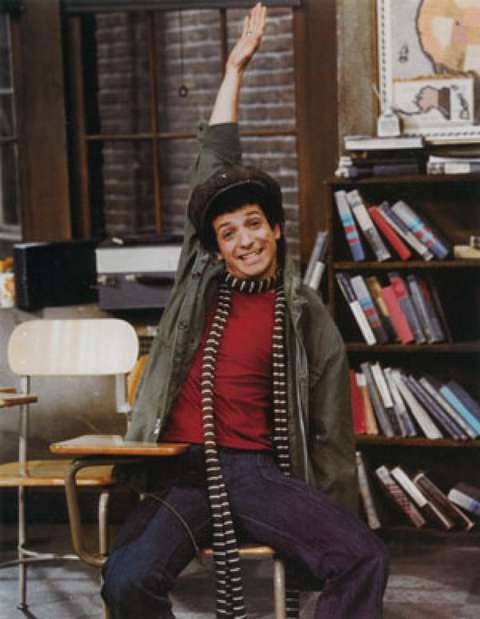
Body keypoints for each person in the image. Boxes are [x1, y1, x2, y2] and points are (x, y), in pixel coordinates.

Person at [101, 4, 389, 618]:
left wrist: (328, 518)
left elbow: (333, 435)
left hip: (258, 474)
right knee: (127, 579)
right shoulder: (198, 283)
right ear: (214, 248)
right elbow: (214, 159)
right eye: (228, 233)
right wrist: (234, 70)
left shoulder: (305, 314)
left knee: (362, 555)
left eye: (254, 224)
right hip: (183, 471)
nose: (245, 241)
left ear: (277, 229)